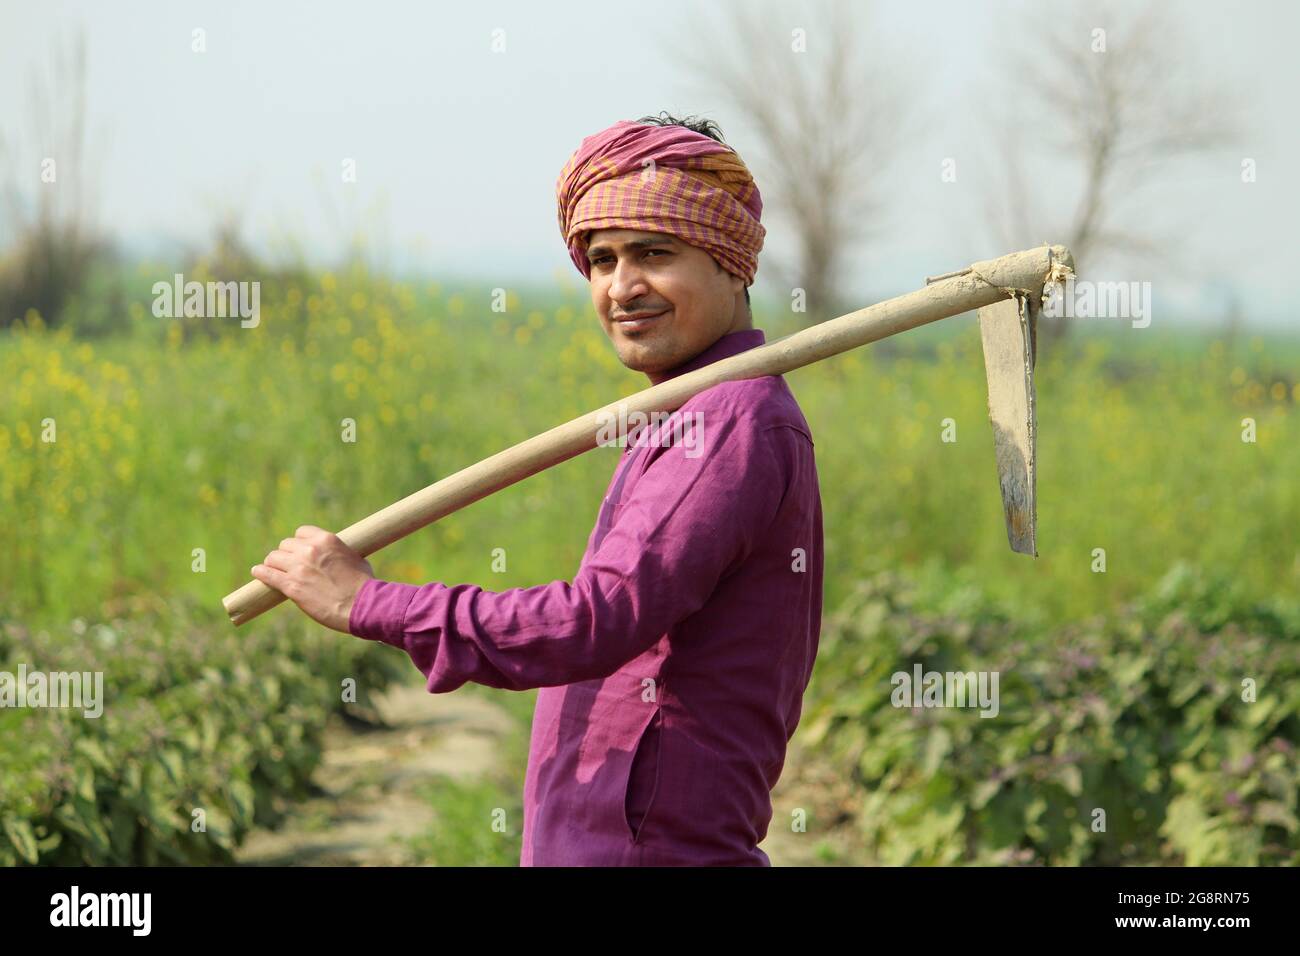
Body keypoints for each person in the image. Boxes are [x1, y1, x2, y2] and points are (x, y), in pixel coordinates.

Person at [250, 113, 824, 866]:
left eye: (655, 253)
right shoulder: (684, 412)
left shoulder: (729, 424)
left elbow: (595, 619)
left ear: (733, 262)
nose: (622, 287)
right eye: (602, 258)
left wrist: (371, 603)